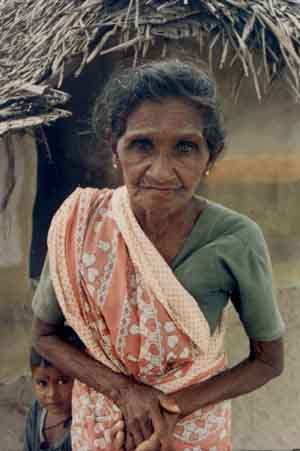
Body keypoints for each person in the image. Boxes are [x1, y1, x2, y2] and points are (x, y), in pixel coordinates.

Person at [31, 59, 285, 451]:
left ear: (210, 157)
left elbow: (268, 361)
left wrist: (170, 408)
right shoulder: (79, 225)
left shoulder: (237, 239)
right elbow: (44, 337)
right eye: (142, 145)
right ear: (115, 148)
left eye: (185, 147)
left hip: (193, 427)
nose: (162, 172)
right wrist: (123, 392)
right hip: (103, 425)